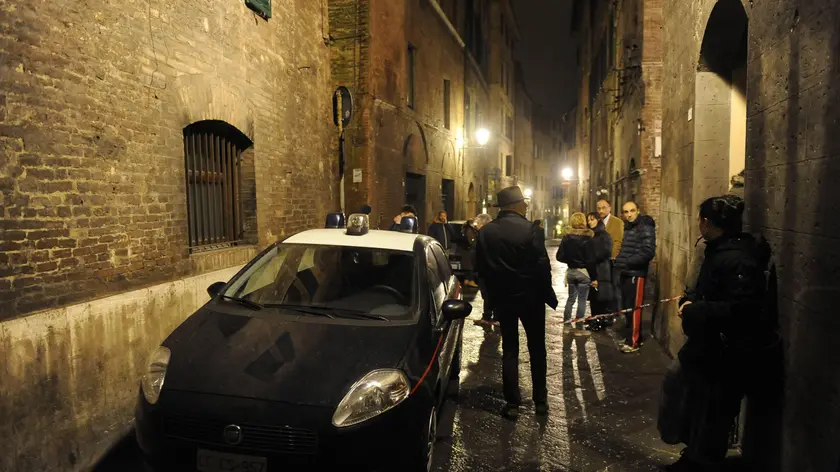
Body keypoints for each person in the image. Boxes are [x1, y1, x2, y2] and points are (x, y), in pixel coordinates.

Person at [663, 195, 779, 472]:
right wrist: (692, 302)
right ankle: (693, 455)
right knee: (694, 400)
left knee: (714, 412)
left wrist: (695, 309)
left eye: (700, 220)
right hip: (709, 345)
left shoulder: (736, 258)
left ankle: (702, 462)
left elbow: (742, 308)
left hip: (726, 350)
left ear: (706, 223)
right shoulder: (719, 250)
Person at [476, 186, 557, 419]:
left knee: (510, 349)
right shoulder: (531, 230)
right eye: (523, 202)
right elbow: (542, 267)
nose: (526, 205)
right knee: (537, 348)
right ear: (516, 205)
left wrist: (490, 296)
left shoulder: (486, 232)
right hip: (531, 298)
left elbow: (481, 269)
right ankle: (540, 401)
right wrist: (547, 294)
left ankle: (512, 403)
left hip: (503, 299)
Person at [614, 201, 656, 353]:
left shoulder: (645, 226)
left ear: (638, 210)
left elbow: (648, 251)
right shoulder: (628, 226)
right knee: (627, 307)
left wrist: (627, 262)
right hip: (626, 273)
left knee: (635, 308)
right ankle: (630, 337)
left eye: (632, 211)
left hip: (636, 274)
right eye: (626, 212)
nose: (629, 214)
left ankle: (634, 342)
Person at [555, 212, 596, 333]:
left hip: (571, 272)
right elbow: (590, 260)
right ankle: (579, 327)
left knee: (571, 299)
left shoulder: (567, 238)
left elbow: (559, 256)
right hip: (583, 272)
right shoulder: (588, 238)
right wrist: (594, 277)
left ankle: (567, 325)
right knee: (582, 300)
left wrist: (570, 260)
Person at [585, 211, 614, 331]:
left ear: (598, 220)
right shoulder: (590, 235)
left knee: (600, 298)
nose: (590, 222)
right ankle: (595, 321)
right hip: (593, 269)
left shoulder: (603, 235)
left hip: (601, 270)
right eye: (588, 220)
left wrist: (592, 256)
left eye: (592, 219)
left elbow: (606, 252)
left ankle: (600, 322)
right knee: (594, 298)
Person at [471, 214, 497, 325]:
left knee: (488, 294)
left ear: (482, 223)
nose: (476, 226)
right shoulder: (493, 232)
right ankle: (488, 316)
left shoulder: (484, 234)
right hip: (490, 269)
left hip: (486, 269)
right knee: (488, 295)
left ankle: (493, 317)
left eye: (477, 223)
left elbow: (480, 253)